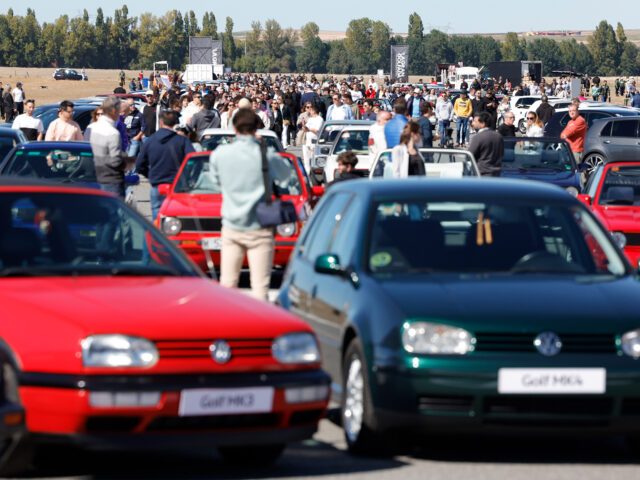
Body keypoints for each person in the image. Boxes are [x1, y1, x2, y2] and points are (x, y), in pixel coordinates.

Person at [209, 108, 293, 301]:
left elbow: (216, 184)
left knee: (228, 284)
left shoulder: (220, 154)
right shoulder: (266, 154)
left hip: (232, 225)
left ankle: (227, 327)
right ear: (257, 128)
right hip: (260, 227)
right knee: (260, 287)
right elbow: (286, 175)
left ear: (234, 128)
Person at [135, 110, 195, 220]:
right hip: (177, 186)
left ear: (160, 122)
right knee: (176, 222)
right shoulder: (182, 140)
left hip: (157, 185)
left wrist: (151, 175)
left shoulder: (151, 140)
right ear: (175, 123)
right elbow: (193, 160)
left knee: (157, 223)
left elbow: (139, 164)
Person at [90, 96, 128, 198]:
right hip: (112, 180)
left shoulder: (94, 127)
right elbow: (115, 161)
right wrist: (127, 163)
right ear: (114, 111)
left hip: (97, 175)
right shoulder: (112, 133)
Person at [468, 111, 504, 177]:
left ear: (483, 124)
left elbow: (469, 155)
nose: (473, 124)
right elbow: (501, 154)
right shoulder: (498, 136)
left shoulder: (478, 137)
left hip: (482, 174)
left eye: (475, 121)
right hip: (497, 174)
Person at [302, 104, 323, 174]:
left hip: (315, 142)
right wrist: (304, 127)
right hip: (308, 142)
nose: (309, 112)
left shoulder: (320, 119)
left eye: (310, 110)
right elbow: (306, 129)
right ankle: (307, 173)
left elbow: (317, 130)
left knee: (313, 158)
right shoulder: (310, 119)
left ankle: (313, 173)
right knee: (307, 158)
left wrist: (308, 129)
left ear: (313, 111)